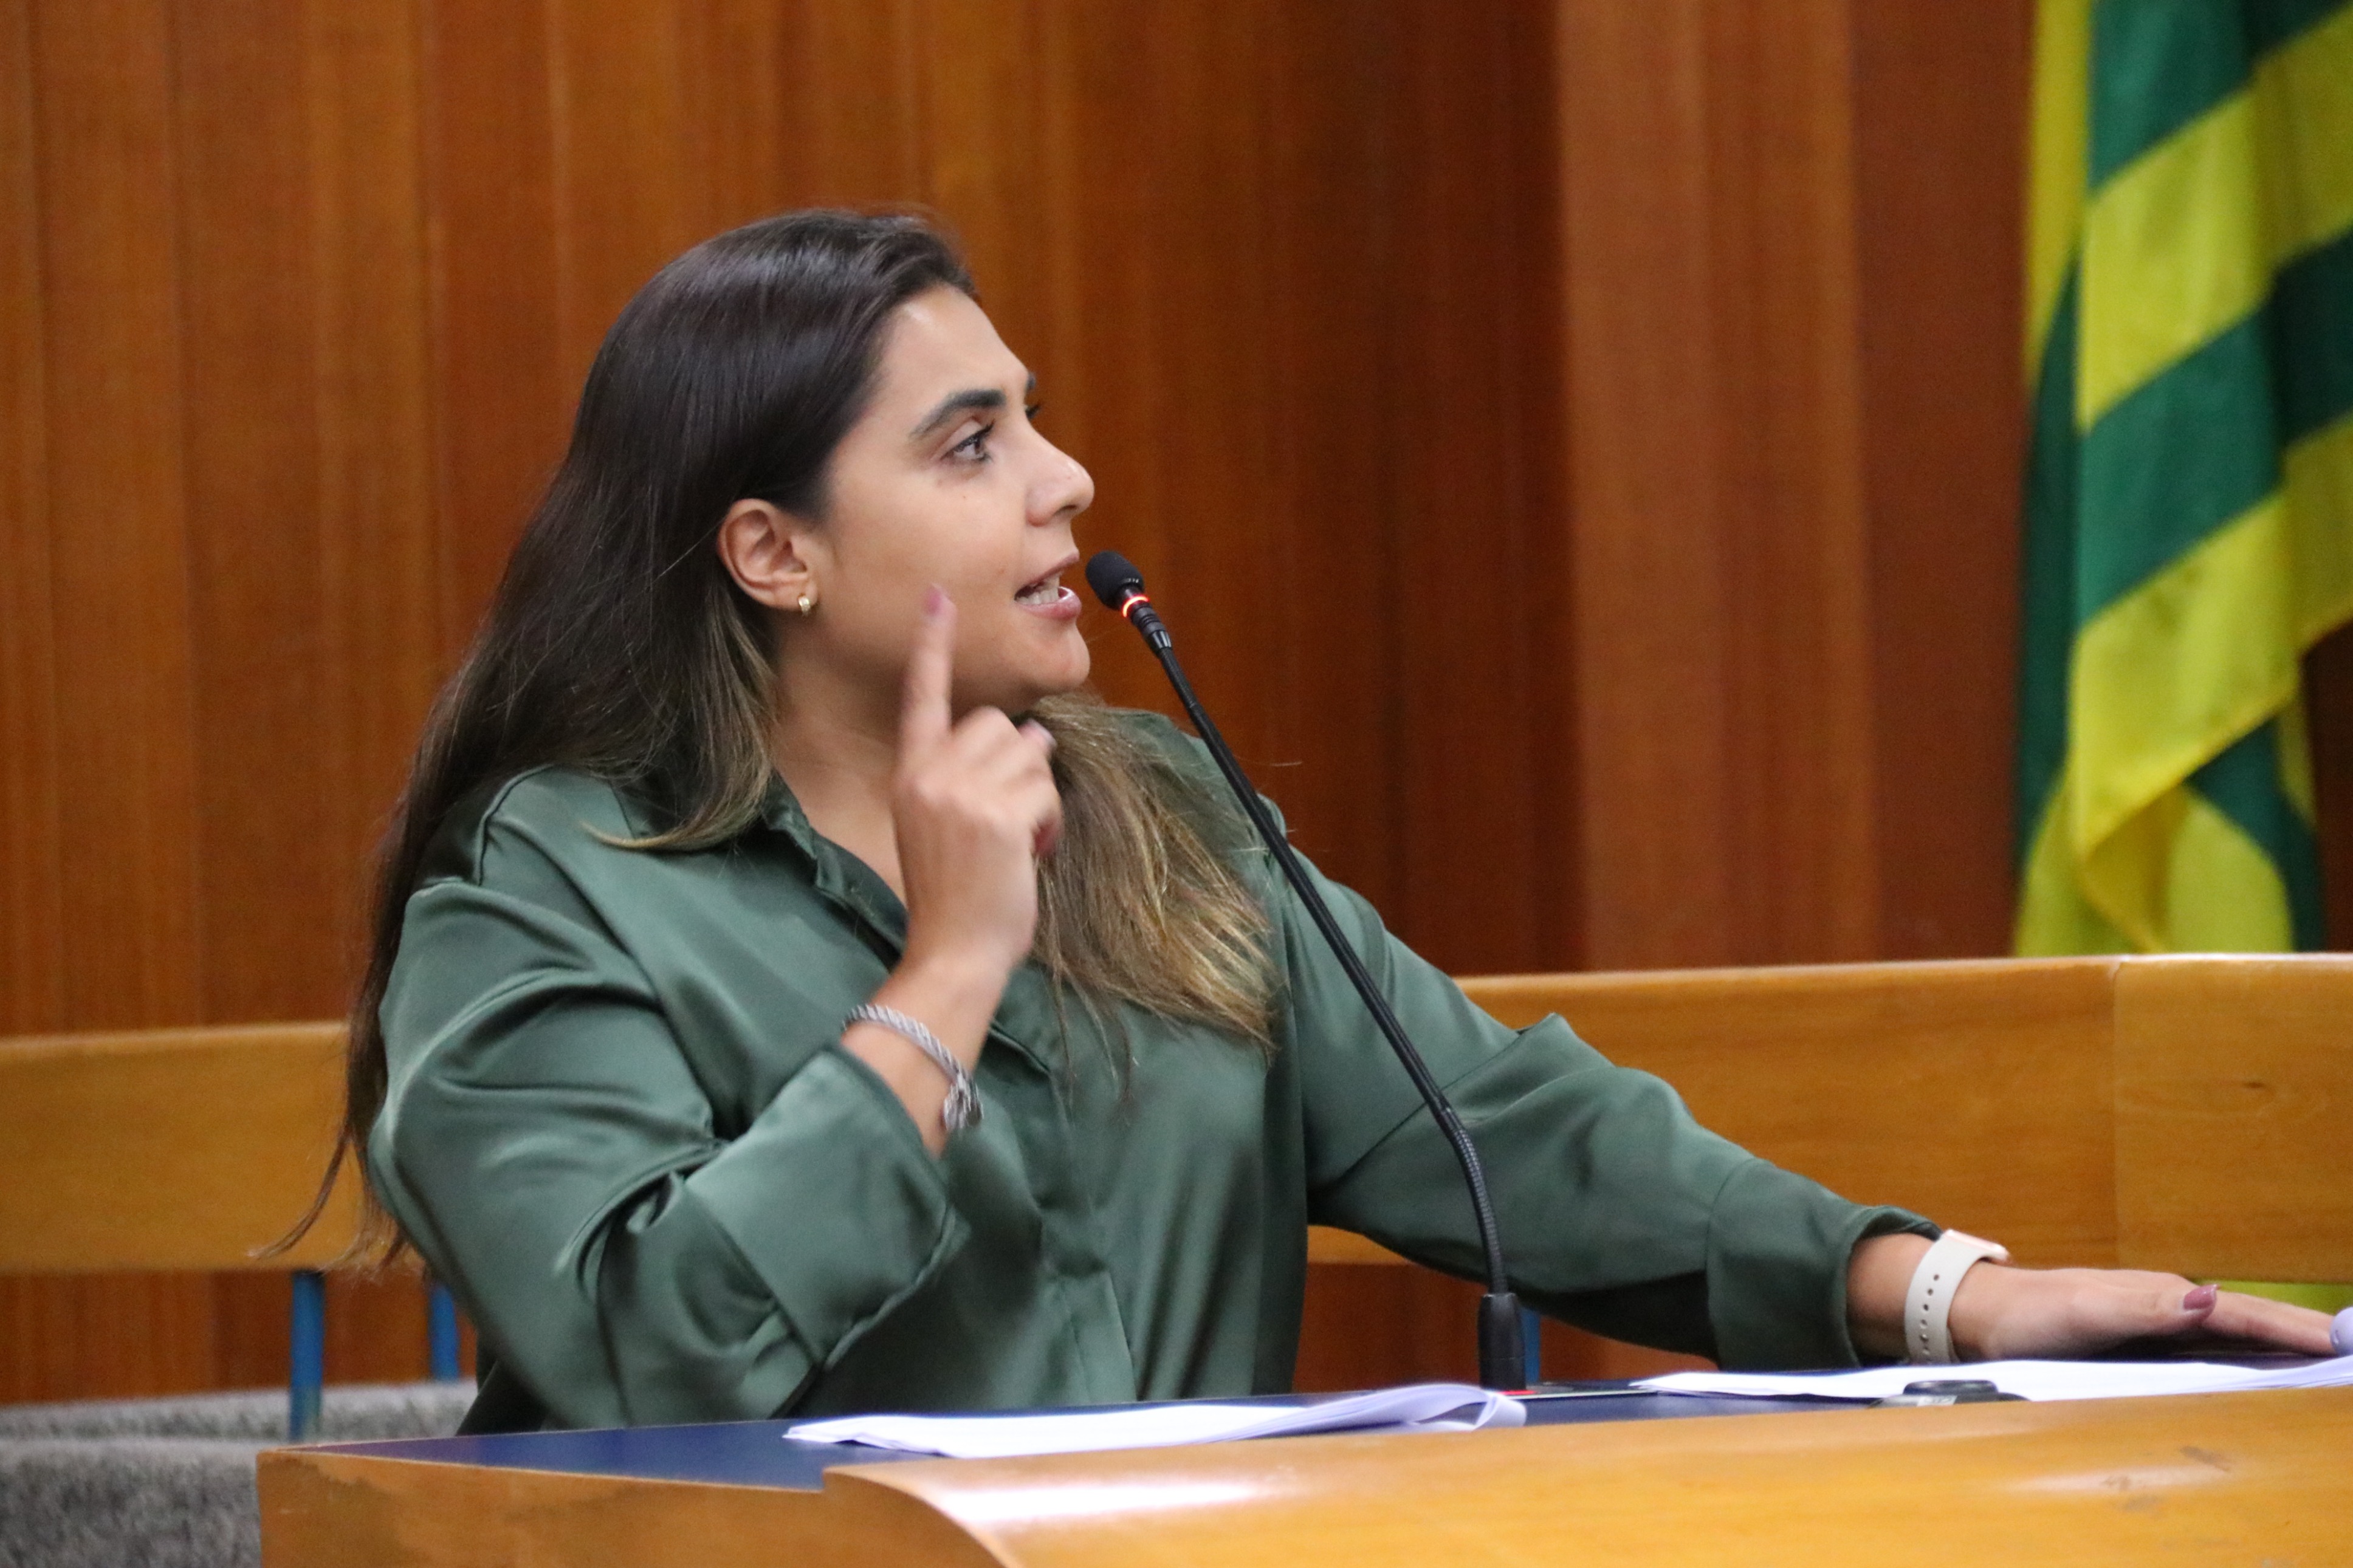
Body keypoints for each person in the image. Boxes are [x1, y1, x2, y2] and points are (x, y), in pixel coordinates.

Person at [321, 210, 2334, 1433]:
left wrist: (1949, 1298)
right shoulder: (547, 892)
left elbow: (1509, 1134)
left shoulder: (1156, 818)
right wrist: (943, 982)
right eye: (971, 443)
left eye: (1035, 417)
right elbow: (649, 1359)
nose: (1066, 479)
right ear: (772, 551)